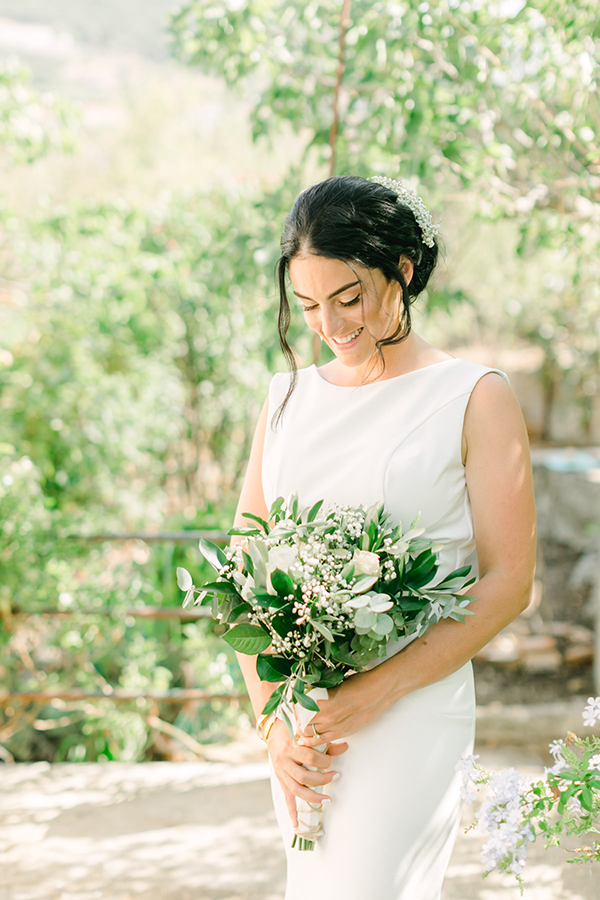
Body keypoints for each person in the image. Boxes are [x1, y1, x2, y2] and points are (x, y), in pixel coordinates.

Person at [232, 175, 536, 900]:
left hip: (411, 710)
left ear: (402, 269)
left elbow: (507, 583)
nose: (332, 326)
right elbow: (245, 570)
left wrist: (380, 688)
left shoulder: (473, 394)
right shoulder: (286, 400)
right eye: (308, 306)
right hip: (304, 724)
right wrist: (274, 728)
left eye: (349, 298)